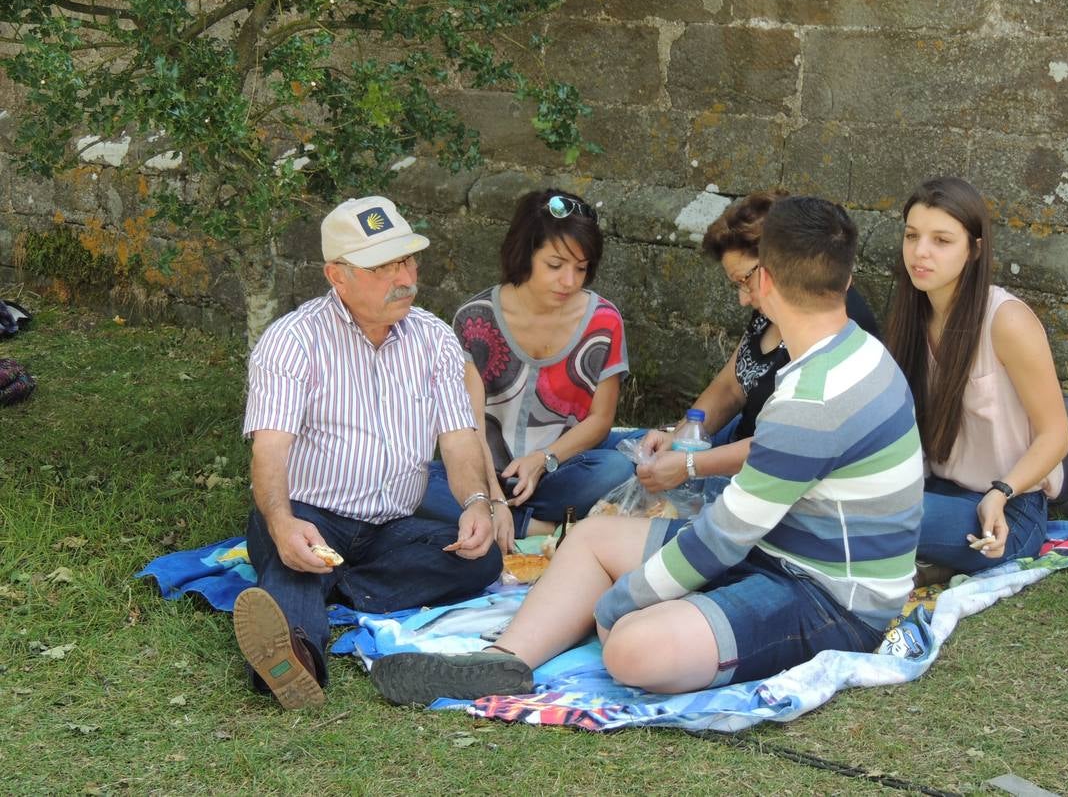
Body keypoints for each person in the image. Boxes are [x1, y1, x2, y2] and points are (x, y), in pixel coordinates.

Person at [369, 196, 925, 705]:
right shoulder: (855, 352)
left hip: (830, 597)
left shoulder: (813, 398)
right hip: (777, 549)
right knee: (589, 538)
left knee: (630, 648)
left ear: (765, 281)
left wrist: (619, 602)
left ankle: (630, 620)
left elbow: (722, 539)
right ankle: (505, 660)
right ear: (848, 275)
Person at [234, 195, 502, 710]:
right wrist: (282, 522)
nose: (405, 277)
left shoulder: (434, 338)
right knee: (296, 558)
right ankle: (297, 660)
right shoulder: (292, 340)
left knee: (479, 559)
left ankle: (331, 587)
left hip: (393, 525)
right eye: (383, 266)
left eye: (407, 259)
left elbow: (460, 438)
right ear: (338, 275)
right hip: (312, 514)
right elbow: (269, 451)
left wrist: (475, 503)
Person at [417, 190, 632, 549]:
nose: (570, 281)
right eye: (555, 265)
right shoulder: (475, 318)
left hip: (558, 470)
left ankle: (507, 523)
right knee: (411, 484)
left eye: (581, 269)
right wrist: (492, 499)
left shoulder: (604, 321)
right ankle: (539, 527)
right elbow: (468, 424)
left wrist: (542, 460)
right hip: (482, 475)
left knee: (617, 468)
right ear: (524, 254)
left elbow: (600, 420)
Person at [627, 191, 880, 496]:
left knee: (613, 475)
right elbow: (731, 384)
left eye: (745, 280)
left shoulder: (827, 325)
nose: (743, 299)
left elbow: (785, 444)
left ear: (777, 263)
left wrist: (690, 463)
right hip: (735, 445)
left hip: (776, 477)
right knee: (631, 455)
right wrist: (681, 435)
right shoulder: (771, 310)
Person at [885, 177, 1068, 577]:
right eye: (912, 235)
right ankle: (919, 563)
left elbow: (1057, 435)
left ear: (974, 249)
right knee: (847, 502)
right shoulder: (911, 318)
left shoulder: (1006, 321)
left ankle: (911, 563)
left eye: (942, 240)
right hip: (934, 491)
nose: (920, 252)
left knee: (872, 519)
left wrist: (1001, 491)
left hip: (1008, 510)